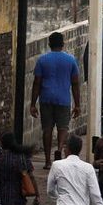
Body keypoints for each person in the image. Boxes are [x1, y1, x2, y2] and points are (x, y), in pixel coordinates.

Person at [31, 31, 80, 168]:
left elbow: (37, 83)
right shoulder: (70, 60)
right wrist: (77, 105)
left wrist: (32, 104)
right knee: (62, 128)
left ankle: (47, 161)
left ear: (49, 44)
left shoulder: (42, 60)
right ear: (63, 44)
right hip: (63, 99)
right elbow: (75, 83)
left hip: (46, 98)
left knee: (47, 129)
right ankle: (58, 149)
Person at [47, 135, 103, 205]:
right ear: (80, 149)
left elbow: (50, 190)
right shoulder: (88, 168)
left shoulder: (57, 165)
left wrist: (60, 198)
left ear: (67, 149)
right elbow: (95, 194)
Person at [0, 133, 35, 205]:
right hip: (17, 197)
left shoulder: (0, 158)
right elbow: (31, 177)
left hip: (1, 196)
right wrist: (36, 194)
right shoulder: (21, 157)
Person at [81, 29, 103, 103]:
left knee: (97, 100)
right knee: (101, 98)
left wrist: (87, 76)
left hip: (97, 73)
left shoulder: (95, 37)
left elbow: (86, 57)